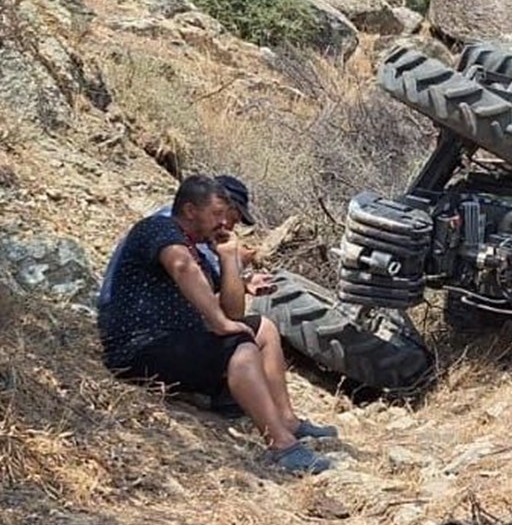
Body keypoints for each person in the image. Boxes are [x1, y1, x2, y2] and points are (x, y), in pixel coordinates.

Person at [98, 175, 337, 475]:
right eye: (216, 214)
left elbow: (233, 311)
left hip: (174, 342)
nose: (224, 223)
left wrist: (227, 259)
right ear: (189, 210)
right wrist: (220, 323)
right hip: (139, 345)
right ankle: (282, 446)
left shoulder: (198, 250)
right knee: (240, 347)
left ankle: (286, 419)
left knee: (261, 328)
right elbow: (181, 267)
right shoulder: (158, 228)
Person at [97, 174, 272, 315]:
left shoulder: (190, 233)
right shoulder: (169, 225)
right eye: (223, 215)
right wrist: (235, 263)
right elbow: (187, 272)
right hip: (133, 319)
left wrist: (238, 277)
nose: (228, 226)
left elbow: (210, 290)